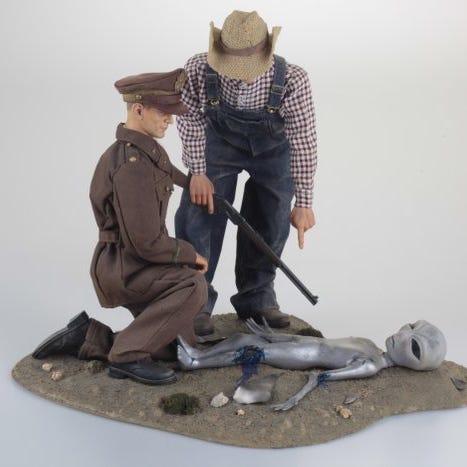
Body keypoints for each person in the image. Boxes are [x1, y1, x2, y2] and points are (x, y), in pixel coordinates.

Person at [32, 70, 209, 385]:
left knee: (175, 348)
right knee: (193, 286)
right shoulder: (133, 167)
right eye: (163, 112)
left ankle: (89, 337)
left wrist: (196, 180)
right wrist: (189, 254)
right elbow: (146, 242)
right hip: (126, 266)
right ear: (138, 110)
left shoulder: (142, 151)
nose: (169, 120)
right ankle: (126, 356)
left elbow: (168, 173)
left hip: (130, 261)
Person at [175, 10, 318, 336]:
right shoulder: (197, 69)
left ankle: (257, 297)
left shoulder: (293, 79)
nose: (242, 77)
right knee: (199, 213)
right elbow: (190, 121)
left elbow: (304, 141)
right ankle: (194, 299)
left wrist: (304, 203)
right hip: (218, 146)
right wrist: (198, 171)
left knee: (272, 216)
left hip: (273, 152)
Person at [177, 319, 447, 410]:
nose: (402, 336)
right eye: (410, 326)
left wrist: (294, 400)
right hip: (301, 345)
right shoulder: (367, 343)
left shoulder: (371, 365)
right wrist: (275, 335)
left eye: (414, 346)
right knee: (243, 337)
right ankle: (198, 353)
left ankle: (195, 362)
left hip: (302, 358)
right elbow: (315, 341)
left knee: (252, 351)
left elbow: (320, 377)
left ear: (414, 365)